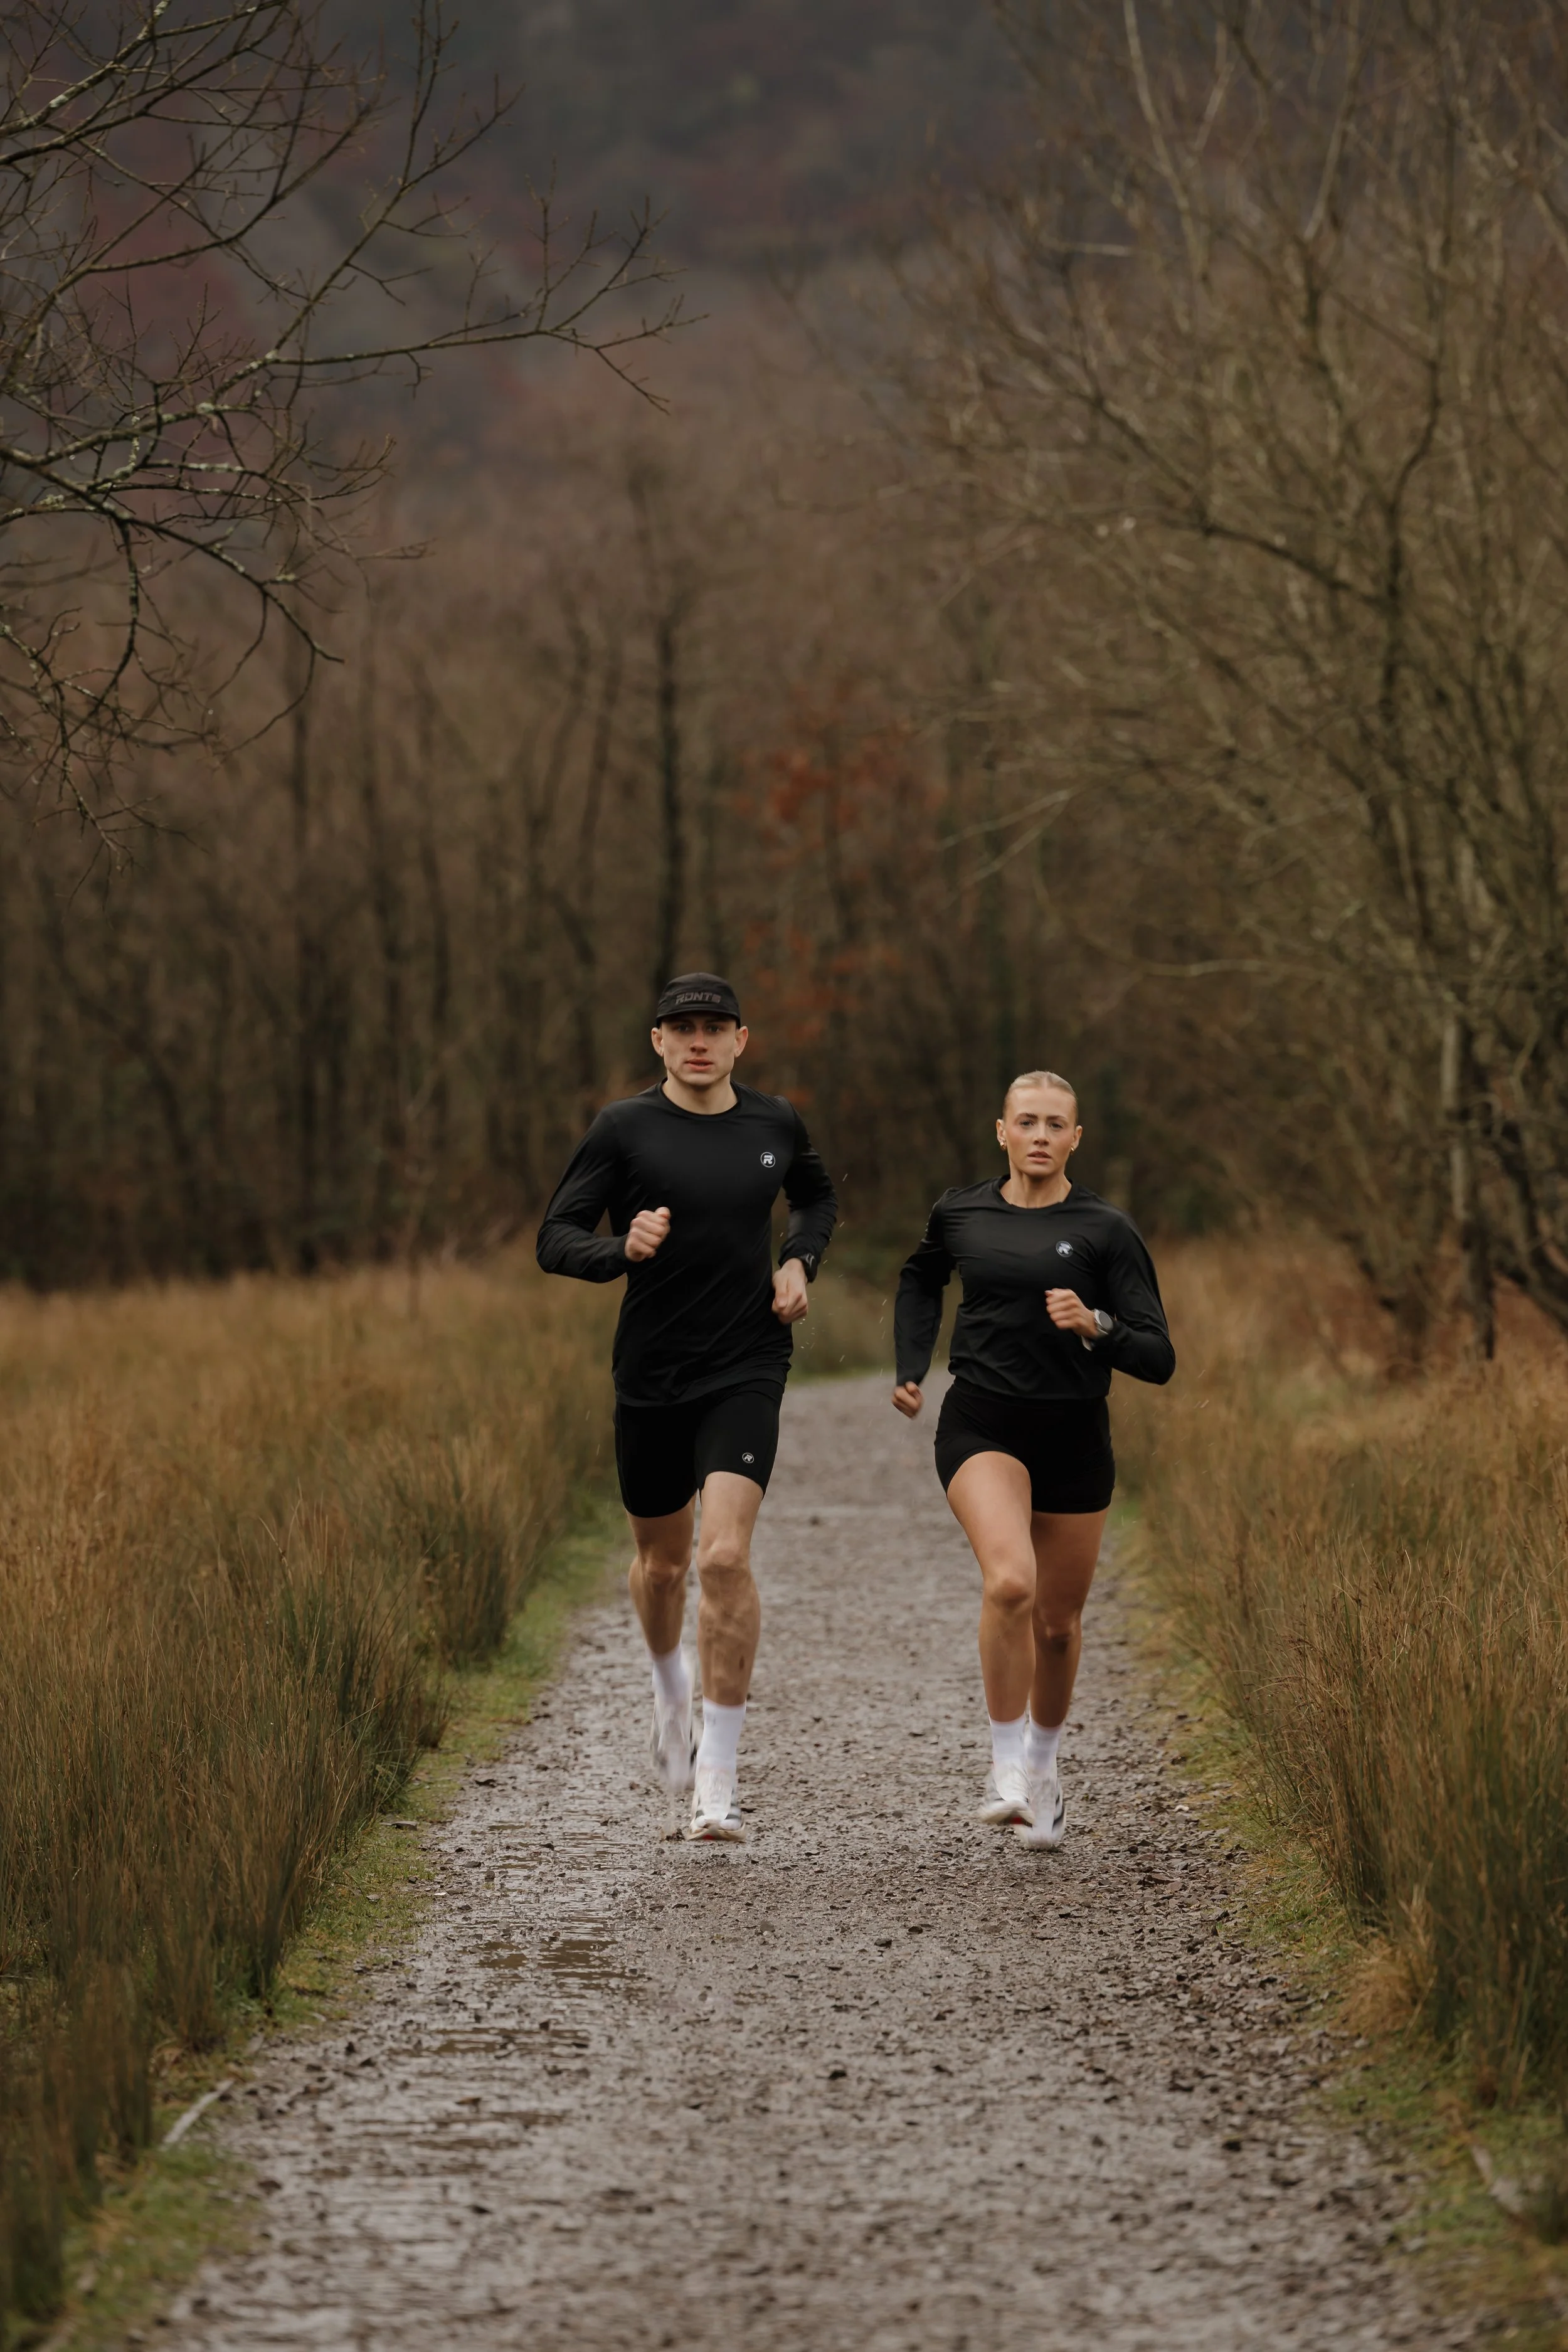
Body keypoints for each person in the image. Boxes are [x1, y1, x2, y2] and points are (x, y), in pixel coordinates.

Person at [537, 973, 837, 1841]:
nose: (699, 1040)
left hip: (746, 1362)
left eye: (715, 1026)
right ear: (659, 1043)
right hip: (652, 1373)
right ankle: (671, 1685)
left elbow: (815, 1197)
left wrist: (798, 1262)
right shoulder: (624, 1129)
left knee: (724, 1556)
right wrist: (619, 1249)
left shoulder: (775, 1123)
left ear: (742, 1039)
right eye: (682, 1028)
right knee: (662, 1567)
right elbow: (554, 1237)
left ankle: (718, 1783)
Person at [891, 1070, 1173, 1846]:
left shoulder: (1106, 1231)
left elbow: (1158, 1357)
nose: (1041, 1135)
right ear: (1002, 1131)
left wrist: (1095, 1324)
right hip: (982, 1423)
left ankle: (1044, 1771)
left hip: (1075, 1439)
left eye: (1056, 1124)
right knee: (1010, 1581)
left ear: (1075, 1138)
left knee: (1057, 1624)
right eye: (1027, 1122)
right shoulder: (961, 1211)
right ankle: (1005, 1766)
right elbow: (920, 1279)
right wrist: (911, 1367)